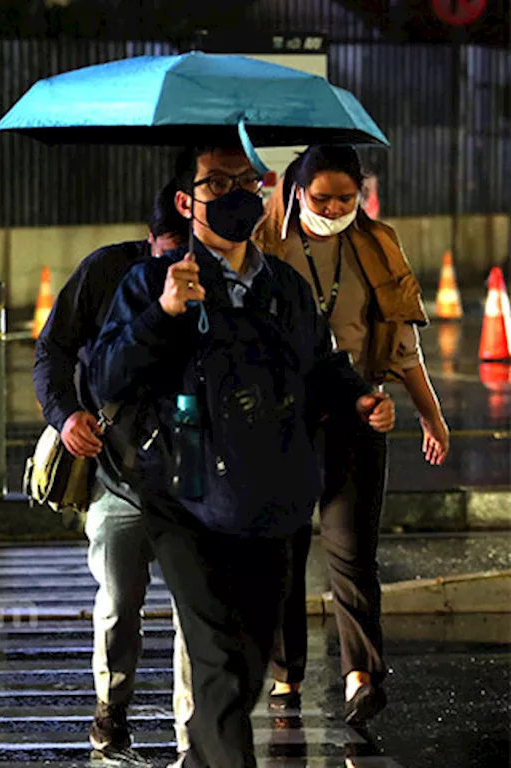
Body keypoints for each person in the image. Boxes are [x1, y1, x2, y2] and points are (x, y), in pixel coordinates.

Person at [89, 143, 397, 768]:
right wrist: (164, 313)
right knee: (221, 666)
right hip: (184, 499)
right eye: (216, 183)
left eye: (246, 181)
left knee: (250, 666)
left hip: (271, 502)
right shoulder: (151, 282)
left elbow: (320, 365)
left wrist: (361, 399)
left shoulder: (281, 285)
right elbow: (105, 377)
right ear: (186, 201)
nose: (236, 194)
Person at [256, 145, 447, 725]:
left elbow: (400, 339)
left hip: (360, 409)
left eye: (347, 197)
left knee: (353, 553)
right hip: (280, 420)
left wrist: (428, 412)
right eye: (323, 198)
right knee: (284, 551)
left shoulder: (377, 244)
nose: (336, 207)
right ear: (296, 191)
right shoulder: (267, 245)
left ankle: (360, 677)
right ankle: (285, 675)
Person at [32, 179, 195, 760]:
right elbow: (51, 351)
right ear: (149, 239)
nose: (178, 265)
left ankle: (190, 740)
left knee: (192, 616)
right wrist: (67, 414)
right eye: (168, 252)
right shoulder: (107, 274)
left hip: (193, 485)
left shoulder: (224, 283)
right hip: (116, 472)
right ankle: (111, 709)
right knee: (119, 604)